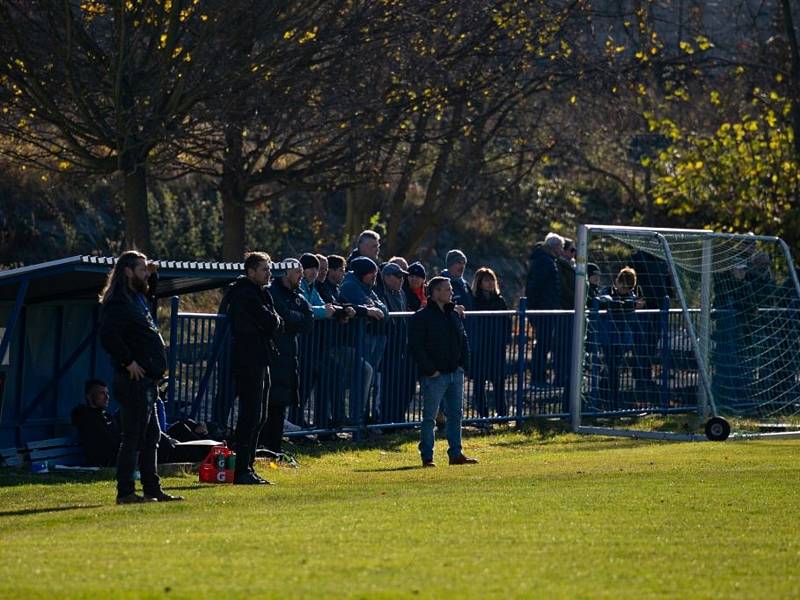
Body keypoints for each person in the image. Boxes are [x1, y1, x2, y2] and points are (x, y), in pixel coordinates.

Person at [98, 250, 183, 504]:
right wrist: (128, 361)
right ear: (127, 271)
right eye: (142, 269)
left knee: (151, 437)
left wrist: (153, 276)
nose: (147, 273)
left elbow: (150, 294)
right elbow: (108, 335)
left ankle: (151, 489)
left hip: (148, 381)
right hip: (133, 381)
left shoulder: (137, 297)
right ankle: (125, 492)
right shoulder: (118, 301)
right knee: (133, 437)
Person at [218, 252, 283, 485]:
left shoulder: (261, 293)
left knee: (260, 415)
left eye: (269, 269)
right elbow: (270, 321)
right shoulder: (244, 294)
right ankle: (241, 469)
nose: (269, 273)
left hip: (261, 357)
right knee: (250, 414)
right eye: (265, 269)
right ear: (251, 271)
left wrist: (272, 321)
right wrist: (272, 321)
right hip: (248, 358)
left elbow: (276, 321)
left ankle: (248, 466)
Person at [409, 276, 477, 467]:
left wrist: (463, 364)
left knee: (456, 415)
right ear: (436, 292)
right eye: (447, 289)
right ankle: (427, 457)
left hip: (455, 372)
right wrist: (430, 370)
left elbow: (463, 340)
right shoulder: (421, 317)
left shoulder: (453, 314)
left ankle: (456, 454)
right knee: (429, 417)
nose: (451, 293)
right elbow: (416, 346)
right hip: (435, 376)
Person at [262, 259, 313, 454]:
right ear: (285, 274)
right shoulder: (273, 293)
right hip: (274, 356)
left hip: (289, 357)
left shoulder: (298, 295)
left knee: (280, 405)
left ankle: (274, 449)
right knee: (268, 404)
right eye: (298, 271)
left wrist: (295, 318)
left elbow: (308, 322)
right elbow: (283, 317)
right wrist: (295, 317)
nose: (302, 275)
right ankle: (264, 448)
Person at [340, 256, 389, 421]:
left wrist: (372, 306)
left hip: (369, 338)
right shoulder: (350, 286)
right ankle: (356, 417)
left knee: (368, 376)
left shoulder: (368, 287)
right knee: (360, 376)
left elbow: (383, 310)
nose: (375, 277)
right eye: (371, 274)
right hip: (352, 341)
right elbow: (366, 306)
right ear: (362, 273)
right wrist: (369, 308)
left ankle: (360, 417)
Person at [596, 267, 646, 409]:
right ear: (617, 281)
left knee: (613, 367)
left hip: (623, 339)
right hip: (608, 337)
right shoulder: (606, 293)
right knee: (611, 367)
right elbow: (609, 305)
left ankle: (608, 399)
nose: (624, 289)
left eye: (627, 287)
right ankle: (609, 399)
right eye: (622, 285)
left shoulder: (632, 296)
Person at [377, 262, 415, 425]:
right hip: (387, 346)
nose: (401, 280)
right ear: (386, 277)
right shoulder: (380, 294)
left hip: (401, 345)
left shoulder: (402, 294)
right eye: (397, 276)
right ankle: (387, 421)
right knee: (388, 386)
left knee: (403, 384)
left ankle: (398, 419)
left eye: (402, 277)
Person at [471, 268, 510, 419]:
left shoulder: (500, 301)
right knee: (479, 383)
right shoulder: (474, 301)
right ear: (479, 283)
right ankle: (483, 414)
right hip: (480, 348)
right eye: (486, 280)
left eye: (492, 279)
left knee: (499, 382)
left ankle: (502, 414)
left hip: (496, 347)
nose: (490, 283)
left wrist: (504, 340)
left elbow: (507, 322)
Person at [525, 233, 564, 385]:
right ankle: (537, 377)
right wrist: (538, 306)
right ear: (554, 247)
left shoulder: (543, 260)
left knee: (543, 343)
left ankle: (538, 376)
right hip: (543, 310)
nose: (562, 250)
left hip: (542, 308)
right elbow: (536, 287)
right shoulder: (546, 262)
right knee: (543, 343)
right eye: (560, 247)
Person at [71, 379, 120, 467]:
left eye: (107, 393)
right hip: (101, 462)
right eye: (102, 393)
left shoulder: (106, 415)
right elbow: (105, 440)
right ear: (89, 397)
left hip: (116, 459)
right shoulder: (84, 416)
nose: (107, 397)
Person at [299, 253, 336, 320]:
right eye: (310, 268)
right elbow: (302, 309)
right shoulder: (297, 286)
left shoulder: (312, 288)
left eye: (316, 269)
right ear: (302, 270)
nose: (314, 272)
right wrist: (324, 311)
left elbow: (322, 305)